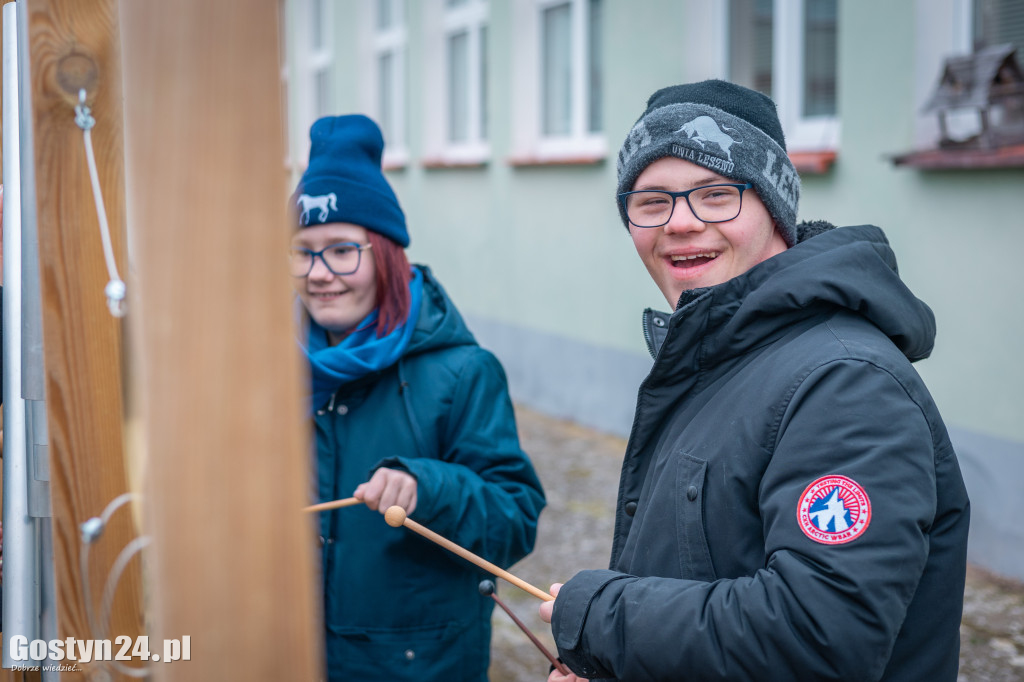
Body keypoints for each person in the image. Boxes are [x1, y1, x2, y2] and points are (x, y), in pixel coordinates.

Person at [539, 80, 970, 682]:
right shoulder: (715, 356)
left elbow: (817, 639)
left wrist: (603, 618)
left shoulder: (844, 383)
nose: (680, 224)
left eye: (717, 195)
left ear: (774, 207)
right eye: (650, 201)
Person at [291, 114, 546, 681]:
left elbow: (515, 519)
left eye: (341, 250)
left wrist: (426, 488)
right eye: (303, 251)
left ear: (385, 256)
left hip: (415, 667)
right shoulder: (269, 372)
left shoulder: (462, 373)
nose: (320, 273)